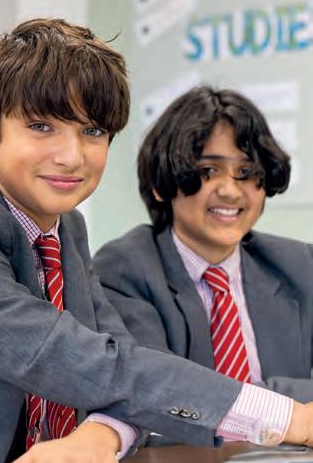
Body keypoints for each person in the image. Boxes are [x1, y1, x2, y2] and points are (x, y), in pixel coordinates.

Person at [0, 21, 312, 463]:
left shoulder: (65, 230)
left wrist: (104, 435)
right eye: (41, 126)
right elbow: (75, 359)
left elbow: (123, 358)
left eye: (92, 131)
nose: (71, 156)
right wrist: (288, 418)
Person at [93, 85, 313, 446]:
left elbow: (192, 401)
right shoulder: (125, 269)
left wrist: (231, 401)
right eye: (209, 170)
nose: (230, 190)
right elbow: (150, 400)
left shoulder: (299, 265)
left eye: (246, 171)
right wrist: (285, 409)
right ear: (163, 184)